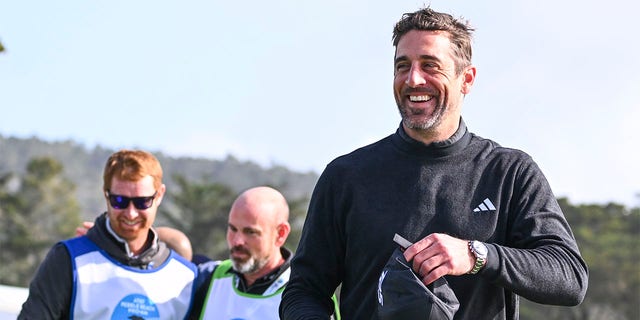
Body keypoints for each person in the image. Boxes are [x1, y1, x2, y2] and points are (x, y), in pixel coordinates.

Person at [280, 6, 588, 320]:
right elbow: (303, 291)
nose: (413, 79)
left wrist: (475, 255)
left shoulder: (509, 172)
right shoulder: (346, 176)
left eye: (430, 65)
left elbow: (569, 277)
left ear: (466, 79)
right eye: (403, 66)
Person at [19, 149, 197, 319]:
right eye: (119, 201)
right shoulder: (68, 259)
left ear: (159, 195)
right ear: (106, 195)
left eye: (142, 202)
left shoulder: (188, 277)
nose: (131, 213)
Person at [188, 186, 340, 319]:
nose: (237, 241)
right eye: (233, 229)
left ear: (280, 233)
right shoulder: (207, 278)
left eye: (250, 232)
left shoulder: (310, 291)